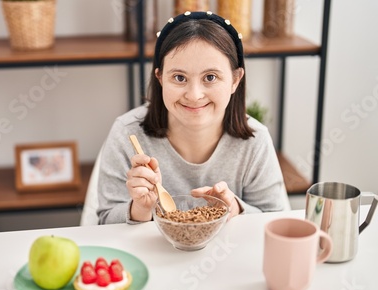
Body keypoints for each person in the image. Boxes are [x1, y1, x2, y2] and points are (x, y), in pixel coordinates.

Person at [97, 11, 285, 225]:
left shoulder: (255, 141)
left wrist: (236, 208)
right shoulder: (127, 133)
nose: (194, 95)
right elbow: (104, 223)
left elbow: (276, 220)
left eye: (210, 77)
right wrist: (139, 208)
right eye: (179, 77)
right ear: (160, 78)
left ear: (235, 79)